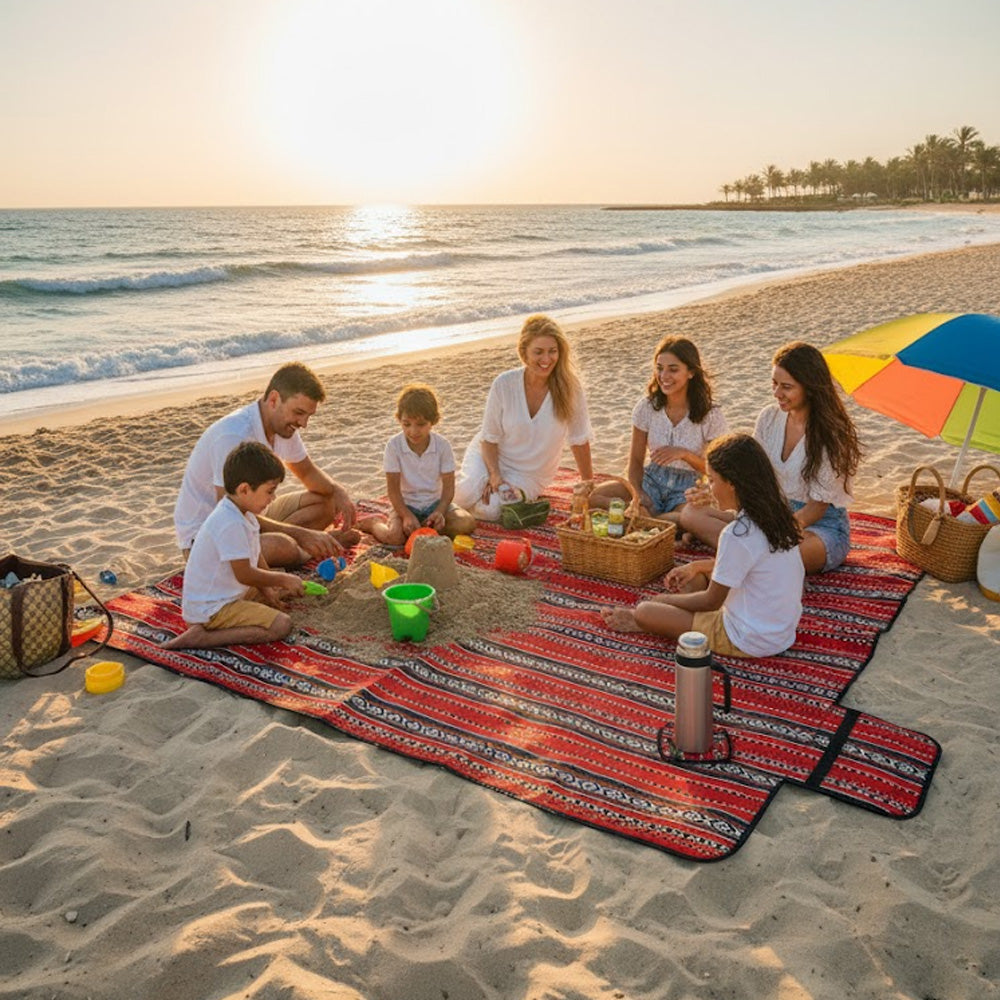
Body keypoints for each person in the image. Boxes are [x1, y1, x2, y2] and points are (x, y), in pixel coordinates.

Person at [602, 433, 804, 658]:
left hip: (749, 639)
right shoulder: (777, 516)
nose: (710, 487)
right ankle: (667, 616)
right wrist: (698, 566)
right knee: (694, 580)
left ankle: (646, 623)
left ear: (732, 484)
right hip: (781, 632)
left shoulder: (737, 534)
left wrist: (661, 600)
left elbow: (710, 601)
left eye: (713, 480)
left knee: (645, 611)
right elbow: (751, 563)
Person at [679, 341, 861, 574]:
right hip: (770, 513)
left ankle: (719, 565)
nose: (777, 393)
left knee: (776, 553)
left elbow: (816, 508)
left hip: (818, 528)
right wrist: (712, 493)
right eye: (774, 383)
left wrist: (771, 535)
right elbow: (752, 474)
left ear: (810, 387)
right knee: (691, 514)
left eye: (786, 387)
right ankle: (744, 555)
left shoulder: (832, 435)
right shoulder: (769, 417)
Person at [173, 362, 358, 568]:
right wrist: (302, 534)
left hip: (254, 513)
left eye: (308, 416)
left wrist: (338, 492)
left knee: (327, 502)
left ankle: (304, 545)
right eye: (298, 412)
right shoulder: (234, 434)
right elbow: (229, 512)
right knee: (283, 546)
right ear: (273, 399)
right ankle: (304, 551)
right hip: (211, 535)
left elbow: (308, 473)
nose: (303, 423)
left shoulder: (284, 427)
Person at [163, 442, 305, 650]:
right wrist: (282, 578)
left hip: (225, 595)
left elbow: (255, 556)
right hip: (210, 610)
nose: (273, 498)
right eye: (270, 491)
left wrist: (269, 590)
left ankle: (264, 595)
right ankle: (202, 638)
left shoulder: (244, 513)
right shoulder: (229, 522)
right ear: (244, 489)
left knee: (280, 588)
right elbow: (245, 574)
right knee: (281, 625)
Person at [454, 314, 594, 520]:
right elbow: (489, 438)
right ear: (524, 353)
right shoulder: (504, 384)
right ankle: (450, 498)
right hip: (490, 457)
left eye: (552, 351)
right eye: (538, 352)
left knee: (491, 510)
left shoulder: (570, 388)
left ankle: (465, 507)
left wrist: (587, 483)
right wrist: (494, 476)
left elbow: (579, 439)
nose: (546, 359)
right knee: (464, 493)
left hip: (529, 475)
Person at [590, 335, 727, 521]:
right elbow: (636, 461)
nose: (664, 376)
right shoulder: (646, 408)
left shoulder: (711, 414)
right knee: (596, 497)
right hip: (651, 480)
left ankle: (653, 520)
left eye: (673, 369)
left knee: (690, 516)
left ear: (691, 372)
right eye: (660, 368)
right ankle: (653, 519)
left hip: (687, 488)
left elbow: (715, 471)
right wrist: (637, 494)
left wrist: (684, 454)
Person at [359, 384, 476, 545]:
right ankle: (373, 524)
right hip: (405, 505)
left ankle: (424, 528)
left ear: (433, 421)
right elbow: (392, 491)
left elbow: (449, 488)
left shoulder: (442, 445)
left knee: (466, 523)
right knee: (395, 538)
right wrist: (406, 515)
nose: (413, 431)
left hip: (434, 503)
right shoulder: (394, 446)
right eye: (407, 424)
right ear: (399, 420)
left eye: (420, 424)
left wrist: (440, 512)